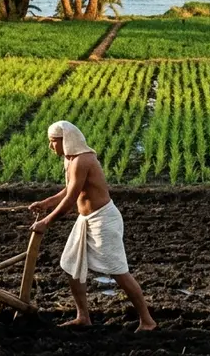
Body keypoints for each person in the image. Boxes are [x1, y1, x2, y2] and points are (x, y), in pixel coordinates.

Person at [28, 121, 157, 331]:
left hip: (103, 219)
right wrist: (46, 203)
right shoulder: (70, 160)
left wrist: (46, 222)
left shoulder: (83, 160)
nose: (51, 147)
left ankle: (147, 321)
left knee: (118, 271)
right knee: (71, 265)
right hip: (86, 219)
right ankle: (83, 317)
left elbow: (70, 200)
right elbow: (69, 190)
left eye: (53, 142)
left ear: (66, 141)